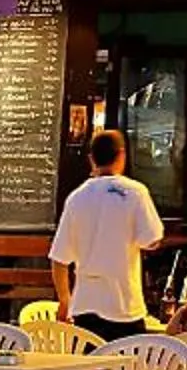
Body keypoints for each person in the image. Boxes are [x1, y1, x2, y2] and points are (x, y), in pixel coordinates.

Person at [47, 130, 163, 340]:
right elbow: (152, 240)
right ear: (121, 156)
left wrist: (65, 301)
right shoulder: (136, 192)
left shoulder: (76, 198)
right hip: (125, 306)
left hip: (85, 305)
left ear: (91, 159)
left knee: (93, 369)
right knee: (127, 369)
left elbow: (59, 259)